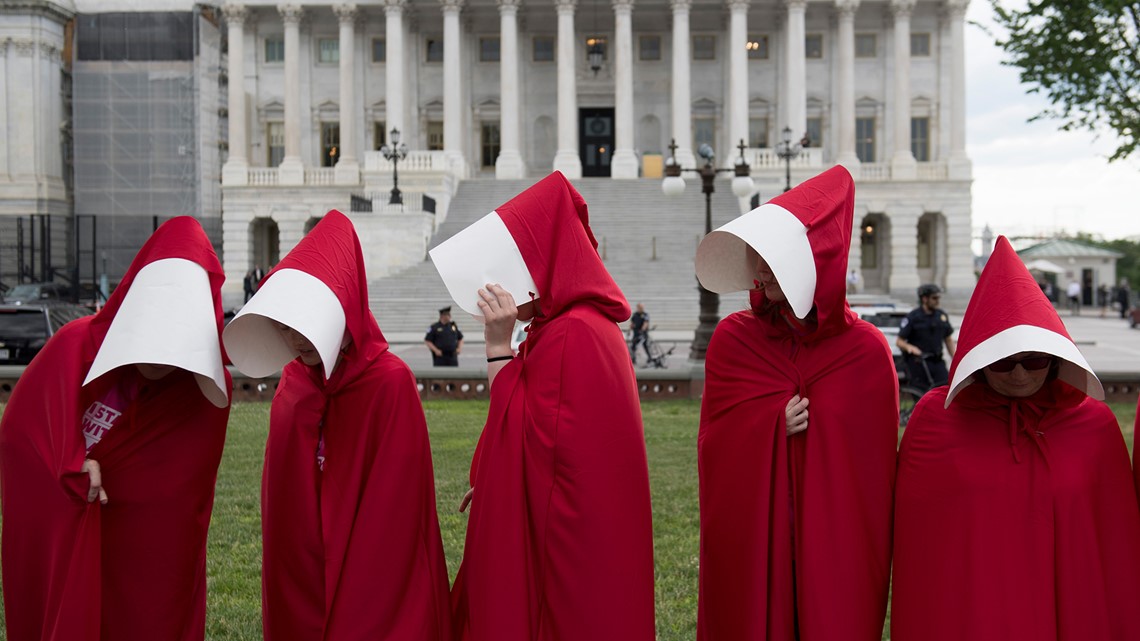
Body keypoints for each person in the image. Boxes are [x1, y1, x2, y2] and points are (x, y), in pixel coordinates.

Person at [431, 172, 655, 641]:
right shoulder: (571, 325)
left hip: (566, 549)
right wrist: (500, 476)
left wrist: (497, 345)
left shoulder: (573, 332)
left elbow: (531, 434)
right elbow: (536, 435)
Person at [891, 235, 1140, 641]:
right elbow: (925, 549)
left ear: (1056, 357)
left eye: (1035, 360)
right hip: (975, 611)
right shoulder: (938, 420)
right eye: (1004, 363)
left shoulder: (1093, 427)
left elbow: (1114, 546)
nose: (1021, 374)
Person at [0, 217, 232, 641]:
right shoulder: (74, 348)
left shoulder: (201, 393)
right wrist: (72, 465)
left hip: (147, 563)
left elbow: (184, 503)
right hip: (75, 541)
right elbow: (24, 435)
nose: (162, 356)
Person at [223, 211, 451, 641]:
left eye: (304, 324)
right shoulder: (294, 383)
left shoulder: (389, 381)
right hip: (305, 562)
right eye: (286, 326)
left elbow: (398, 511)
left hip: (369, 561)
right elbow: (283, 495)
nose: (295, 340)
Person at [693, 165, 898, 641]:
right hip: (757, 534)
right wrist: (768, 425)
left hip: (835, 539)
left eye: (775, 258)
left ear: (815, 263)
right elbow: (712, 443)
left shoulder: (865, 352)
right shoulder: (734, 339)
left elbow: (873, 475)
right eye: (756, 256)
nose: (760, 269)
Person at [896, 283, 956, 391]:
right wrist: (910, 347)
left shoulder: (941, 316)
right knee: (921, 393)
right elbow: (900, 341)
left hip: (937, 361)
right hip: (919, 363)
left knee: (945, 390)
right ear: (924, 299)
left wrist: (955, 359)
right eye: (934, 298)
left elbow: (948, 339)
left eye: (938, 298)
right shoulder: (913, 317)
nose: (938, 301)